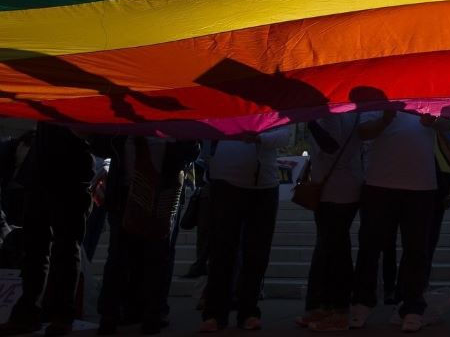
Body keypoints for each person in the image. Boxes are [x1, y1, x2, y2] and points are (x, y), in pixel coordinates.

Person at [352, 102, 447, 334]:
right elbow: (362, 131)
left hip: (421, 185)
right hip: (379, 183)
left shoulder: (430, 96)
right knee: (370, 246)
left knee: (416, 249)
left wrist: (436, 122)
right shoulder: (378, 97)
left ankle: (413, 306)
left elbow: (448, 124)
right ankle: (362, 302)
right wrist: (385, 119)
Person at [92, 136, 200, 335]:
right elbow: (100, 144)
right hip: (124, 194)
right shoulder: (123, 126)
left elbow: (192, 151)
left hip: (163, 192)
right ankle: (112, 314)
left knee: (158, 256)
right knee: (119, 257)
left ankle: (153, 314)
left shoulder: (174, 125)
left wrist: (184, 136)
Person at [0, 123, 93, 337]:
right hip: (40, 171)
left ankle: (61, 313)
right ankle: (29, 311)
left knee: (66, 246)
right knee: (35, 247)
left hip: (71, 171)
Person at [199, 126, 291, 332]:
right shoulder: (226, 103)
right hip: (226, 179)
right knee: (222, 251)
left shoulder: (275, 104)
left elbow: (285, 135)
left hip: (264, 184)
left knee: (257, 253)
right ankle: (214, 312)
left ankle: (248, 310)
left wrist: (260, 138)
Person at [299, 113, 363, 332]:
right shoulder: (345, 111)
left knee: (335, 250)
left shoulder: (333, 112)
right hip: (334, 189)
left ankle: (339, 309)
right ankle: (325, 306)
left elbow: (331, 145)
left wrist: (310, 120)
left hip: (338, 190)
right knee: (330, 248)